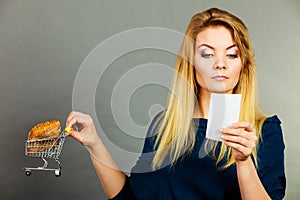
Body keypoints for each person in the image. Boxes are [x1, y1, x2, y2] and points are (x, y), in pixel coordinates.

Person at [66, 7, 286, 200]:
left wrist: (243, 161)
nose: (220, 64)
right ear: (191, 62)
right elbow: (130, 196)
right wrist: (94, 143)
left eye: (231, 54)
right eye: (207, 54)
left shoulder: (265, 132)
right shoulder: (164, 125)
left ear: (243, 64)